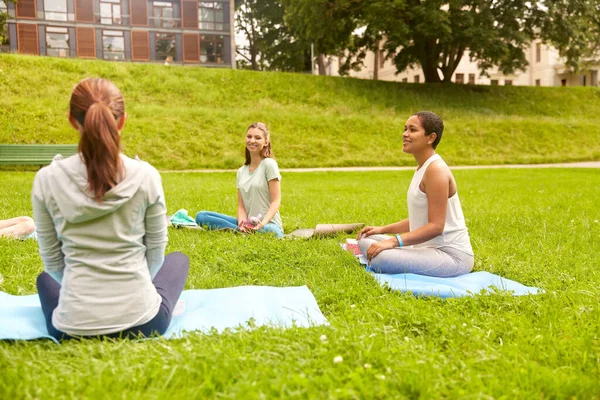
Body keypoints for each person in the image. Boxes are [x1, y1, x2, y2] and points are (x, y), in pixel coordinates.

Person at [32, 78, 189, 341]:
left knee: (44, 280)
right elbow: (156, 253)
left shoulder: (46, 180)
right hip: (144, 322)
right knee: (178, 260)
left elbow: (52, 263)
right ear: (123, 120)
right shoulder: (147, 175)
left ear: (72, 120)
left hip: (71, 328)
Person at [357, 111, 473, 277]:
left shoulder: (436, 170)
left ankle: (391, 254)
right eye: (405, 129)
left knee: (381, 258)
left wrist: (393, 241)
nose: (405, 134)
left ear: (430, 138)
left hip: (450, 256)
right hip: (424, 248)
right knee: (365, 239)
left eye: (412, 130)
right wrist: (381, 229)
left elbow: (436, 226)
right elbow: (420, 221)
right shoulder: (423, 167)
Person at [195, 122, 283, 238]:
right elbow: (241, 206)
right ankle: (241, 231)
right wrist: (242, 223)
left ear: (266, 142)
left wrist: (262, 223)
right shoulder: (241, 171)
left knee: (269, 232)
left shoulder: (269, 165)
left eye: (258, 138)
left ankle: (239, 231)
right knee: (201, 216)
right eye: (249, 136)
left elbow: (275, 201)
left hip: (270, 225)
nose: (252, 140)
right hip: (249, 224)